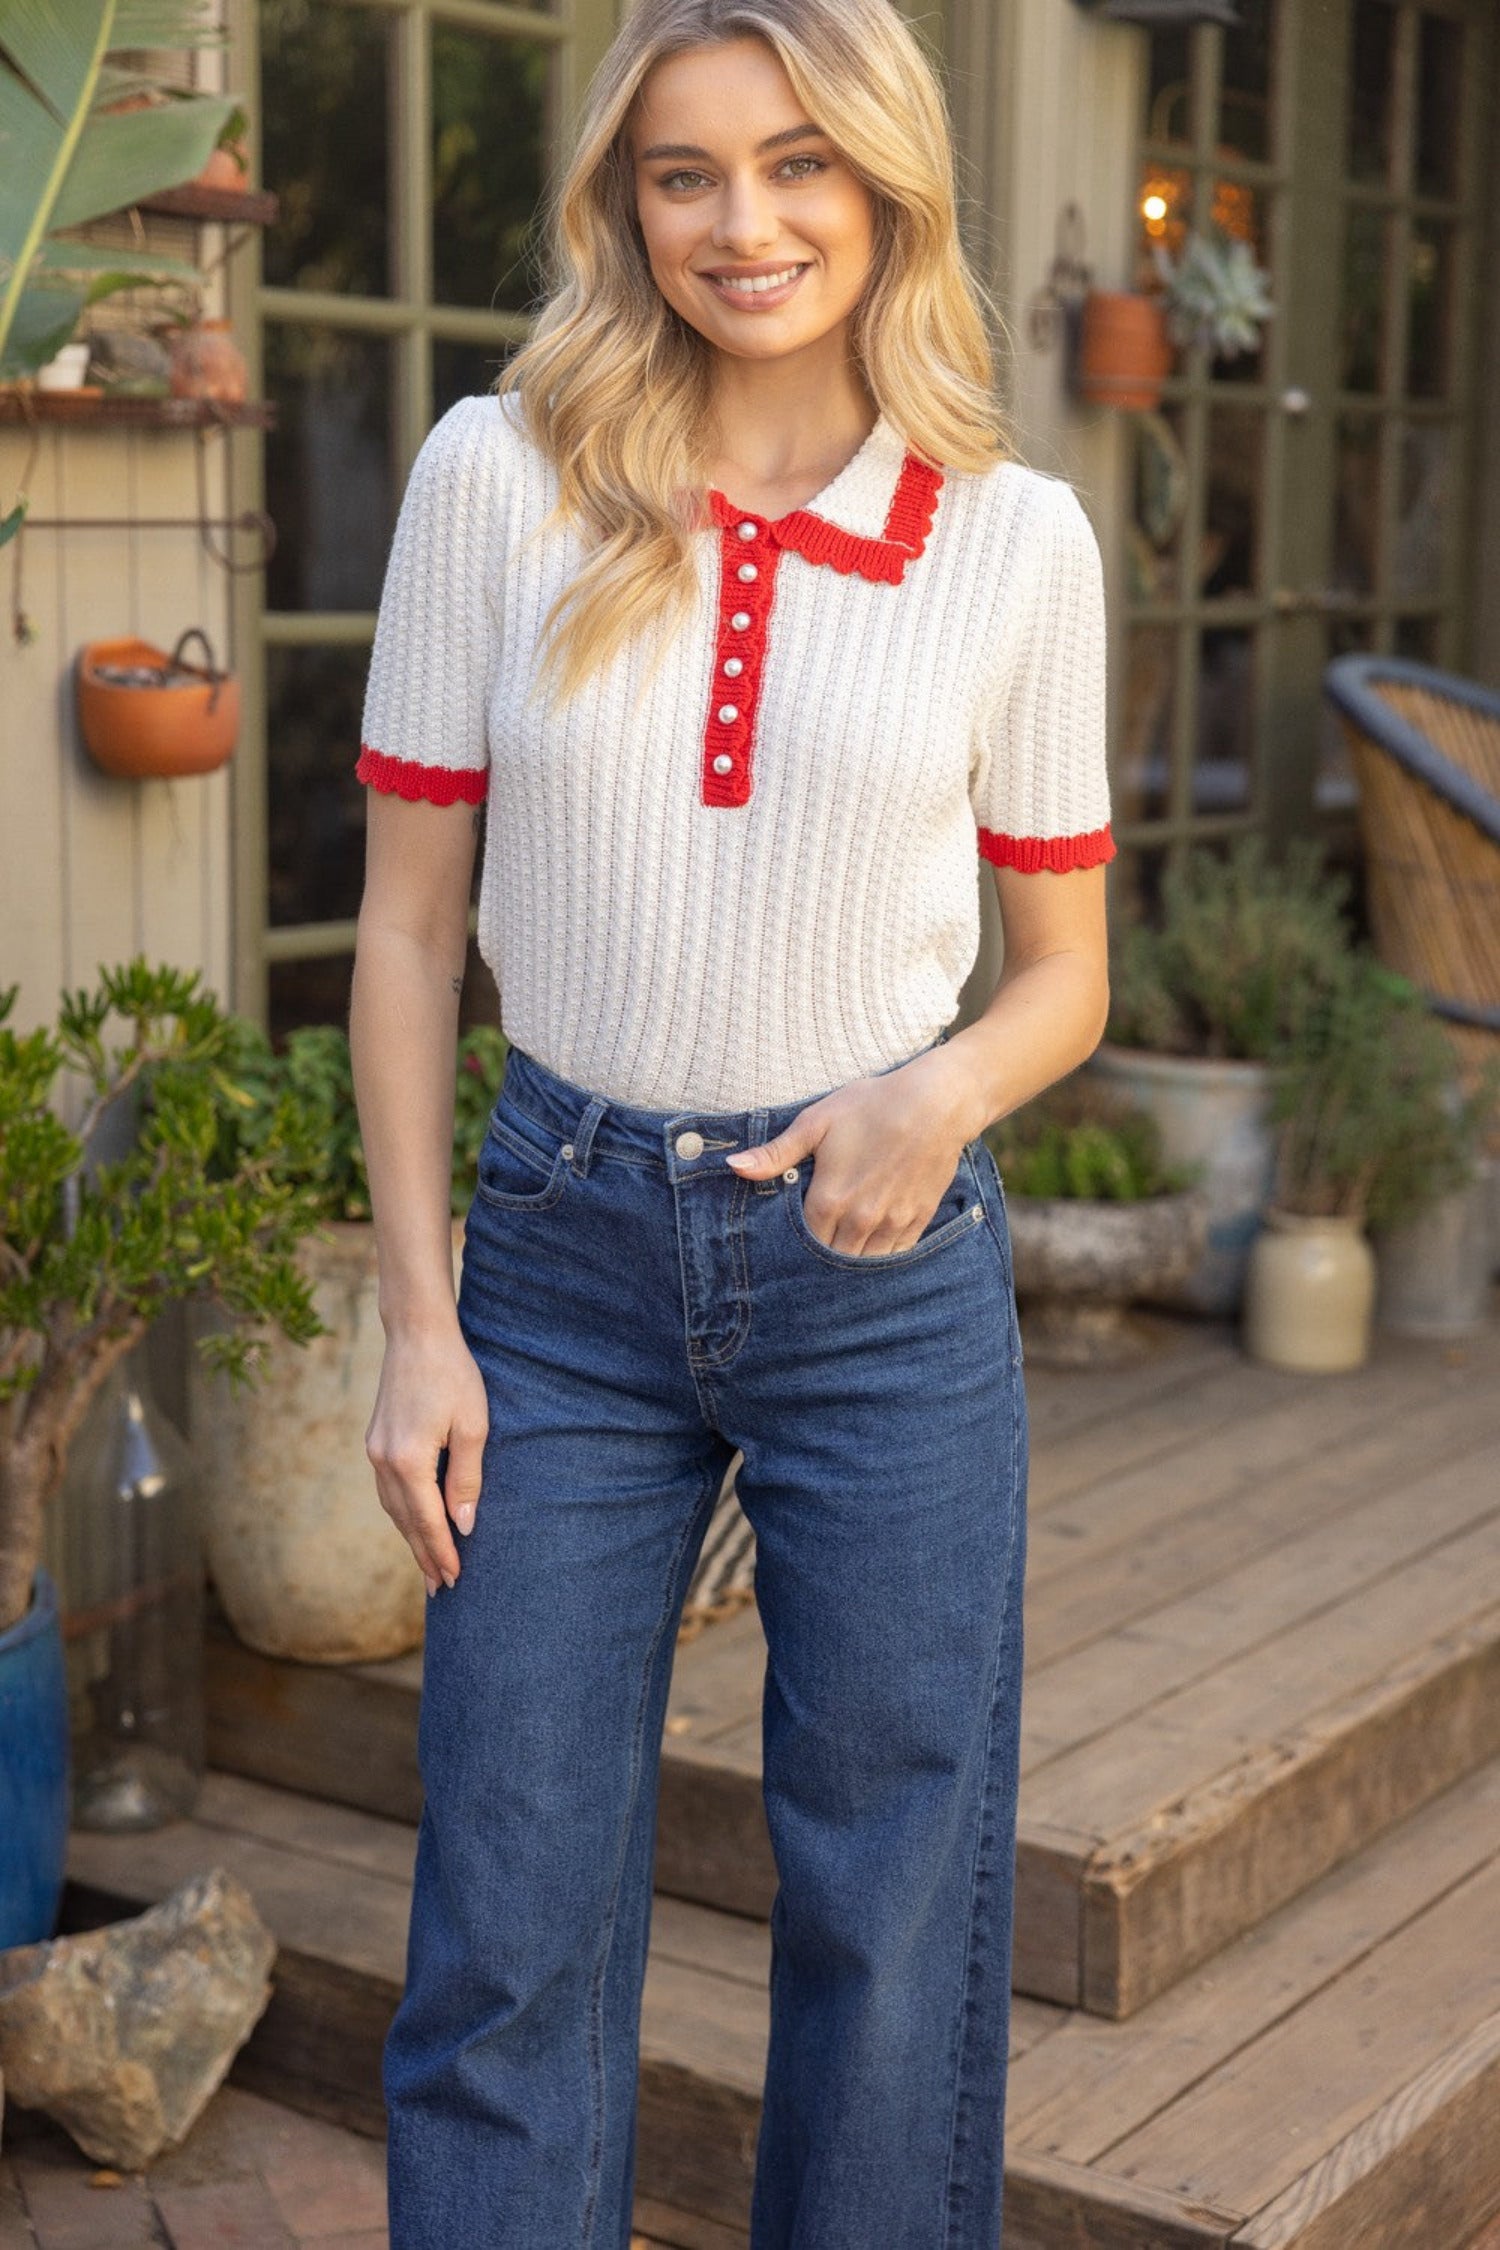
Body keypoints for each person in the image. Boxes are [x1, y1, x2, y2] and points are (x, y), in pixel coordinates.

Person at [349, 1, 1113, 2242]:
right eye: (683, 173)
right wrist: (417, 1323)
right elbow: (405, 938)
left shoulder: (1015, 540)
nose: (742, 222)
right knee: (504, 1921)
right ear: (622, 200)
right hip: (560, 1260)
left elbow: (1067, 974)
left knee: (892, 1920)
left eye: (797, 164)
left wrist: (939, 1091)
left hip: (882, 1281)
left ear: (886, 182)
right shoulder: (493, 478)